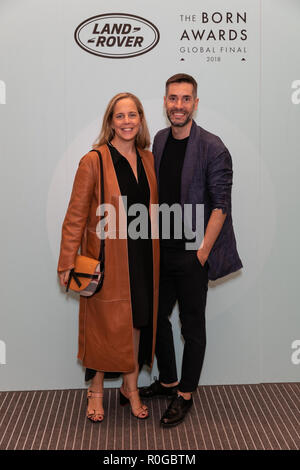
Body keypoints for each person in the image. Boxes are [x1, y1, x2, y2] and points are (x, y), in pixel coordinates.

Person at [139, 73, 242, 427]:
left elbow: (221, 205)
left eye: (185, 99)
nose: (178, 105)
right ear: (165, 102)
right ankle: (168, 380)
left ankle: (185, 395)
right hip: (161, 250)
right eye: (172, 98)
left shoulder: (213, 147)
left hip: (192, 253)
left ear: (195, 103)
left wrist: (201, 253)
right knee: (154, 318)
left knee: (192, 327)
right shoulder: (161, 140)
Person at [57, 93, 159, 422]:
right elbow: (75, 215)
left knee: (138, 320)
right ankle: (96, 391)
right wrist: (66, 261)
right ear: (110, 122)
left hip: (142, 254)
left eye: (133, 115)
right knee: (104, 326)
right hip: (107, 256)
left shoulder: (147, 159)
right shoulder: (94, 160)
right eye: (120, 116)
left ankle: (130, 387)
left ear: (141, 119)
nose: (127, 121)